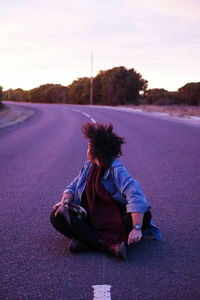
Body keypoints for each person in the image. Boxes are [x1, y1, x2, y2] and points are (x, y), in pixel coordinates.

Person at [50, 122, 161, 259]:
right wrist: (65, 201)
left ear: (95, 151)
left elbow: (136, 195)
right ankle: (109, 246)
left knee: (146, 215)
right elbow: (73, 186)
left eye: (88, 146)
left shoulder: (116, 169)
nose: (87, 150)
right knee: (57, 215)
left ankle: (87, 241)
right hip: (91, 217)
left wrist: (137, 228)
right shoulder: (88, 166)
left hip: (115, 219)